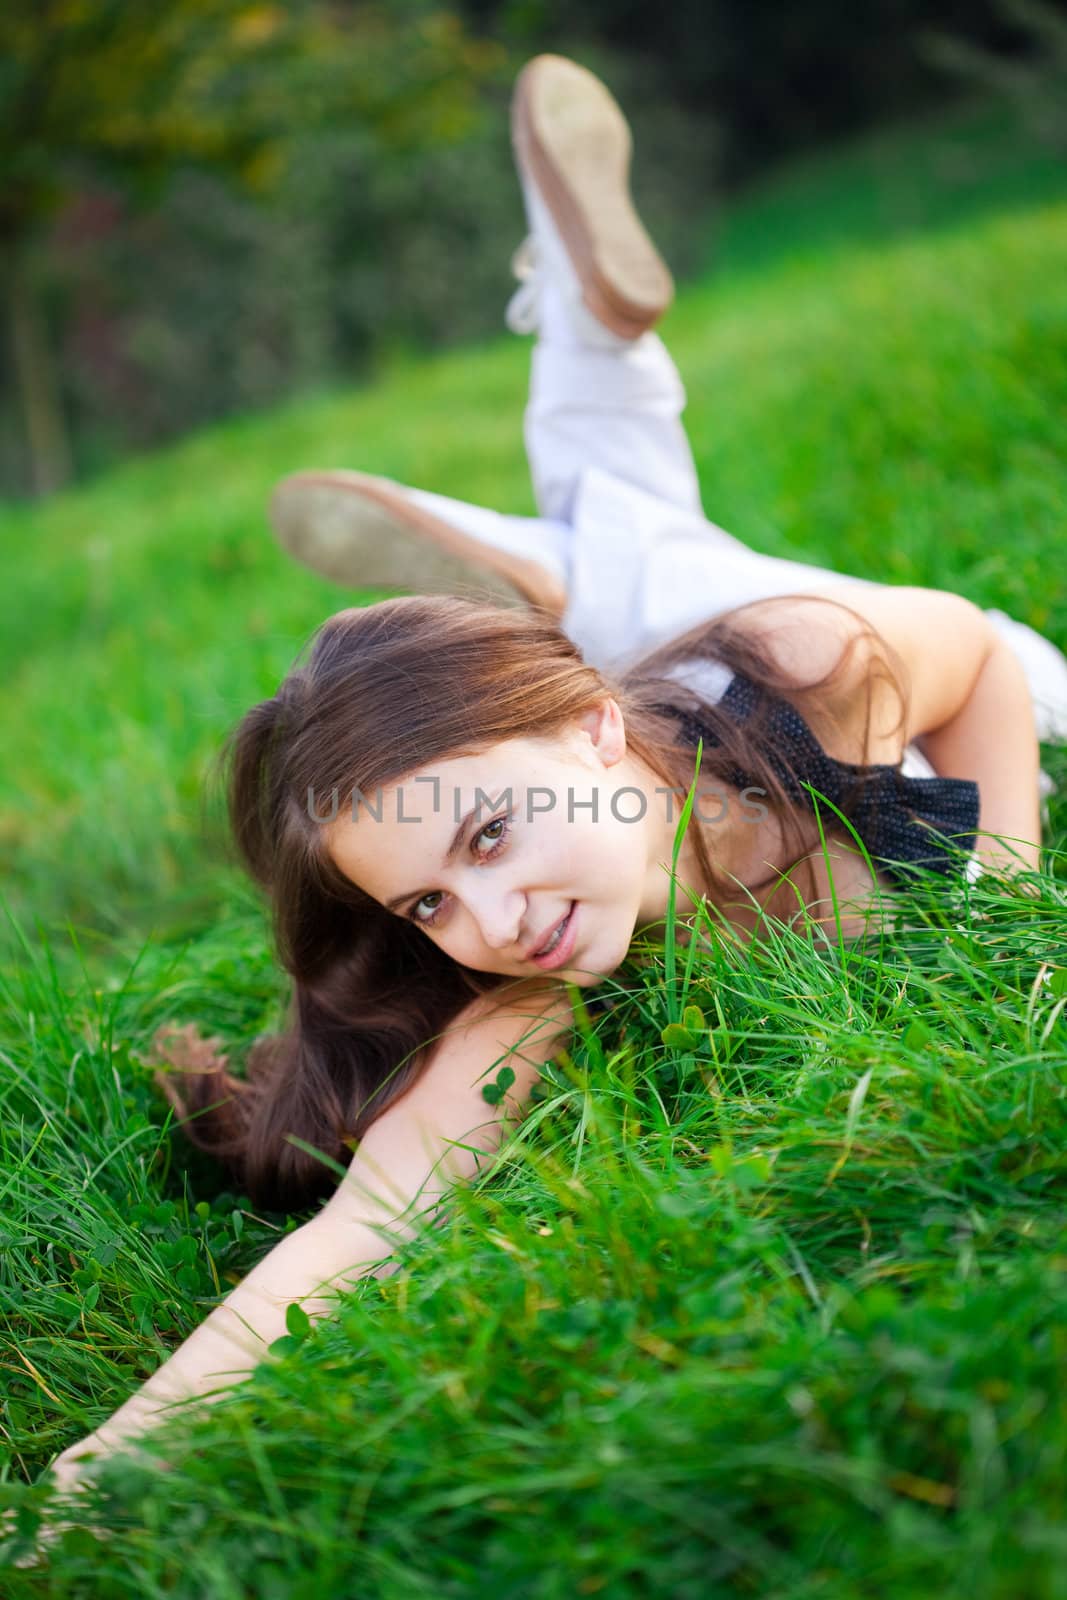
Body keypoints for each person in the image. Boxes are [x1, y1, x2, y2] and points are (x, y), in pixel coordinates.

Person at [31, 52, 1067, 1530]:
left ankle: (573, 566)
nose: (497, 923)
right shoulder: (533, 985)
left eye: (493, 838)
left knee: (747, 602)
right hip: (625, 694)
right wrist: (108, 1456)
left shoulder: (809, 666)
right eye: (433, 901)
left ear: (587, 733)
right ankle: (573, 495)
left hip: (811, 682)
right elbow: (372, 1220)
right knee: (647, 544)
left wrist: (1004, 895)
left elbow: (968, 659)